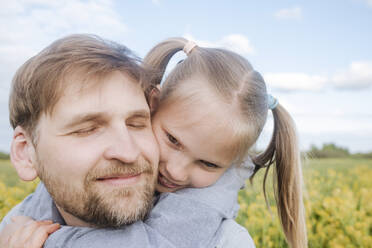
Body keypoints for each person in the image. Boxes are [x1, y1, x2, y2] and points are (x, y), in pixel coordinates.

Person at [1, 36, 308, 248]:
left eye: (136, 123)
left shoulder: (223, 240)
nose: (127, 150)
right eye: (87, 129)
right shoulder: (15, 227)